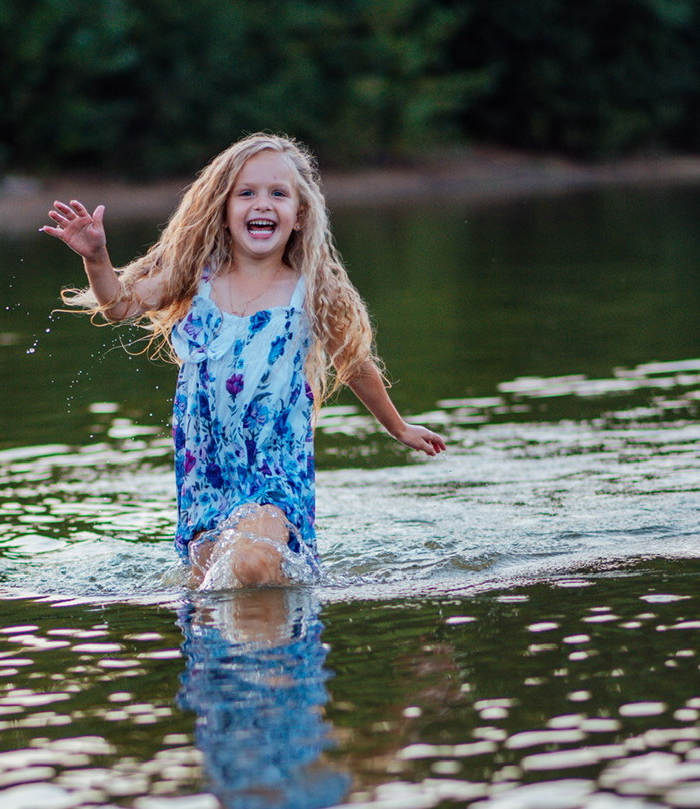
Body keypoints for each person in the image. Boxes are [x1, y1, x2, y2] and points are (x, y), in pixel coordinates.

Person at [41, 132, 446, 588]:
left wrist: (399, 427)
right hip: (205, 472)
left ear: (299, 216)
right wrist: (97, 259)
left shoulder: (312, 290)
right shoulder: (193, 277)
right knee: (211, 591)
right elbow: (118, 306)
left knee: (252, 565)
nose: (262, 204)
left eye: (278, 194)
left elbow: (353, 363)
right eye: (247, 193)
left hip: (276, 467)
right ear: (224, 210)